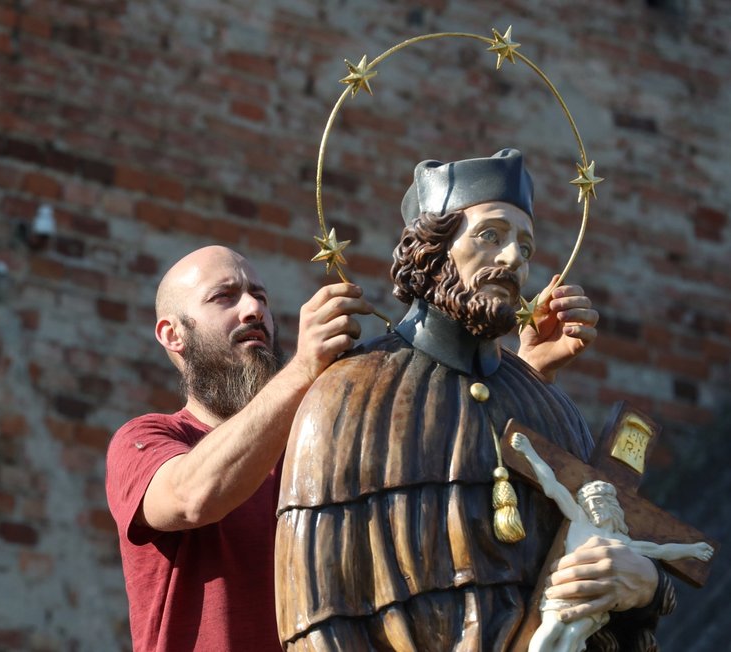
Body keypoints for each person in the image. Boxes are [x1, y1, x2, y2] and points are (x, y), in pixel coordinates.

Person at [106, 235, 596, 650]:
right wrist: (302, 369)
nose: (254, 309)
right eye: (224, 298)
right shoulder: (147, 439)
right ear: (173, 334)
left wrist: (525, 373)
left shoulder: (319, 438)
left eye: (260, 295)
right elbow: (194, 498)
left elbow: (449, 477)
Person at [275, 149, 671, 651]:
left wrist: (649, 590)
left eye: (525, 249)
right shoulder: (349, 396)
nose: (513, 260)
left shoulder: (554, 413)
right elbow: (317, 618)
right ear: (433, 247)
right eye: (491, 236)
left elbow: (600, 585)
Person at [511, 432, 714, 652]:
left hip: (593, 604)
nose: (594, 507)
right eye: (589, 504)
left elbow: (661, 550)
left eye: (598, 502)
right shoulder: (579, 520)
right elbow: (552, 487)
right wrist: (528, 451)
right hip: (564, 594)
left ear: (611, 506)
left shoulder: (621, 542)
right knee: (549, 632)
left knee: (572, 638)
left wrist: (692, 549)